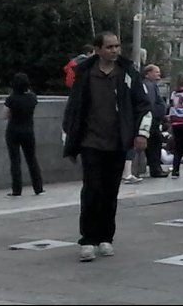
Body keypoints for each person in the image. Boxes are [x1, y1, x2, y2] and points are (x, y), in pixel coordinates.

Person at [61, 31, 152, 261]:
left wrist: (141, 133)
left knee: (110, 192)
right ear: (98, 49)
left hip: (117, 142)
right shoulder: (85, 74)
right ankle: (87, 239)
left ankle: (105, 237)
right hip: (91, 142)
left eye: (117, 46)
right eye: (109, 47)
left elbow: (142, 105)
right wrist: (70, 142)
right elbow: (73, 109)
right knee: (92, 189)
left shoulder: (127, 73)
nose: (114, 51)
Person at [4, 72, 45, 197]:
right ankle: (38, 187)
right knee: (32, 159)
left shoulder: (11, 99)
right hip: (28, 130)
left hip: (13, 131)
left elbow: (5, 115)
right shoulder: (32, 98)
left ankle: (17, 190)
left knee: (15, 161)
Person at [141, 65, 169, 178]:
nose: (159, 73)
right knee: (154, 144)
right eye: (156, 72)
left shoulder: (152, 85)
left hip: (155, 119)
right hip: (152, 120)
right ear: (148, 73)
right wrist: (156, 115)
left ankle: (156, 168)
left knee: (155, 144)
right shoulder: (149, 85)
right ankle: (156, 169)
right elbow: (151, 103)